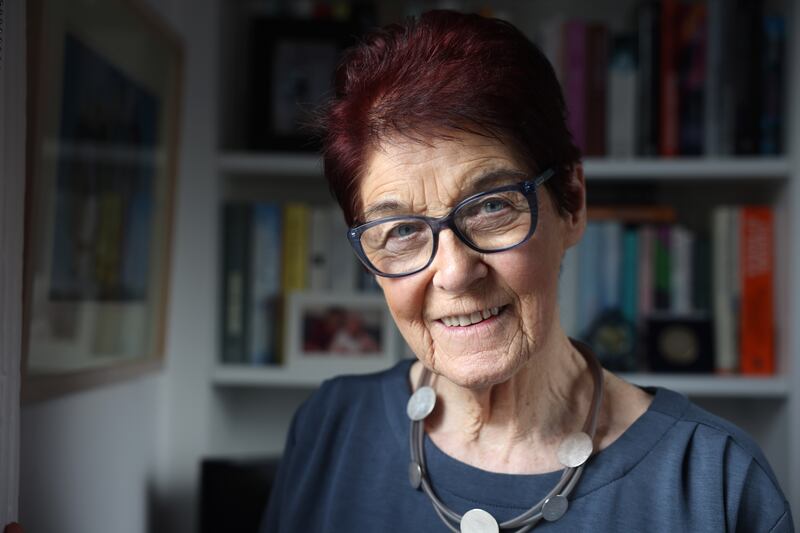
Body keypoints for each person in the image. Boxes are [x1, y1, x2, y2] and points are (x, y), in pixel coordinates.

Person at [261, 10, 793, 532]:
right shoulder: (328, 428)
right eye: (401, 231)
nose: (454, 273)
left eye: (491, 206)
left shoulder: (714, 484)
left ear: (573, 204)